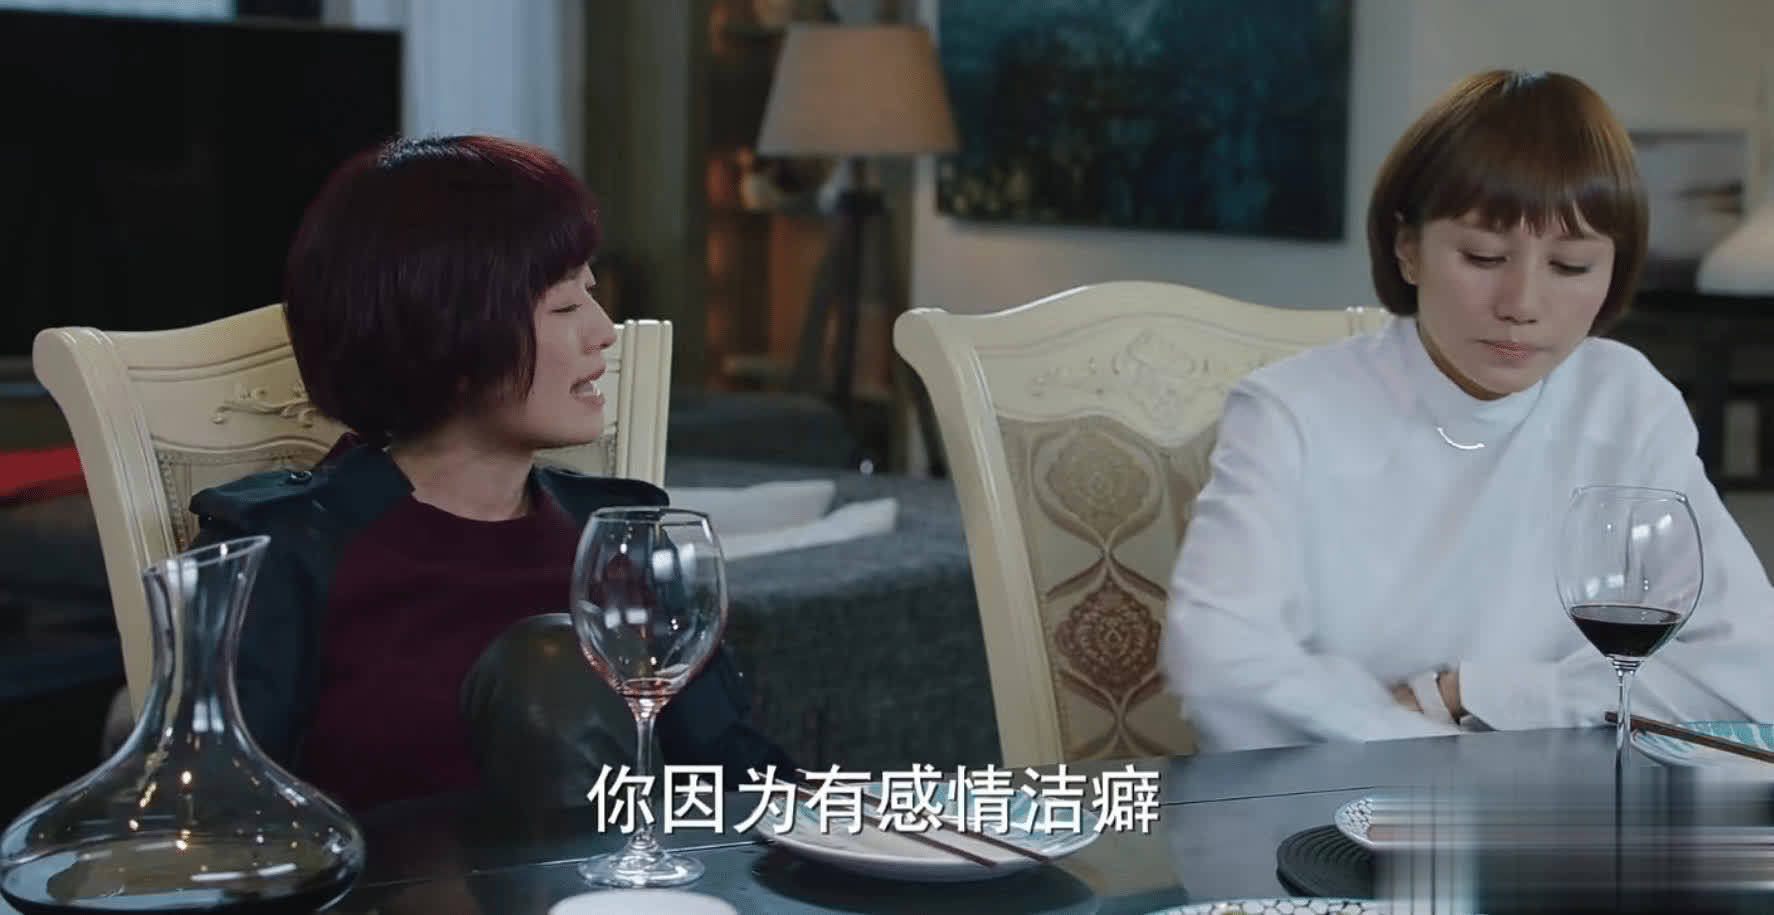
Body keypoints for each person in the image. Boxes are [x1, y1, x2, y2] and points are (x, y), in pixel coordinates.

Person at [1163, 70, 1774, 752]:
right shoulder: (1290, 413)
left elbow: (1747, 669)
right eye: (1483, 256)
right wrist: (1414, 748)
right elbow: (1223, 664)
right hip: (1333, 800)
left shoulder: (1625, 400)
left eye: (1571, 266)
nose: (1522, 304)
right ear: (1408, 248)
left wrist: (1467, 692)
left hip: (1551, 803)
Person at [188, 135, 796, 812]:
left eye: (591, 293)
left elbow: (743, 786)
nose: (604, 330)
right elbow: (221, 825)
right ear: (444, 332)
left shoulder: (620, 537)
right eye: (564, 306)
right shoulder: (282, 551)